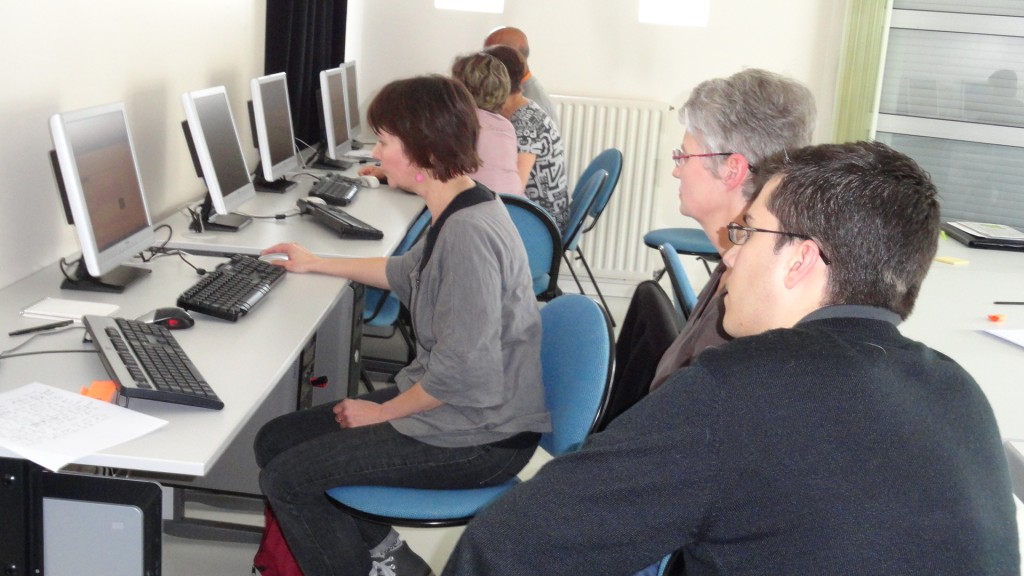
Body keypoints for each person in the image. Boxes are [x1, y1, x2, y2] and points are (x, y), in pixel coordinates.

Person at [442, 141, 1021, 575]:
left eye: (747, 234)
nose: (730, 258)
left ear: (801, 260)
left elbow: (504, 548)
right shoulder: (960, 392)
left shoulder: (735, 392)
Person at [254, 75, 551, 576]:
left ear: (422, 151)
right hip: (460, 407)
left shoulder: (467, 236)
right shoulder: (463, 201)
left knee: (287, 479)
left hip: (481, 437)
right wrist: (316, 262)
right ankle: (386, 555)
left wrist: (383, 412)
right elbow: (404, 272)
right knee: (275, 441)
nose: (375, 153)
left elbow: (463, 372)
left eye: (385, 141)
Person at [645, 68, 816, 393]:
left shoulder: (752, 309)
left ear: (732, 169)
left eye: (684, 156)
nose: (676, 170)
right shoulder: (739, 257)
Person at [485, 44, 569, 231]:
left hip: (540, 224)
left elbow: (514, 190)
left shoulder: (525, 124)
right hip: (535, 215)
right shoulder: (524, 108)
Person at [451, 51, 524, 196]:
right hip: (515, 205)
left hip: (480, 205)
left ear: (459, 89)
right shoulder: (506, 126)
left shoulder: (461, 124)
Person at [483, 26, 558, 122]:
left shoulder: (530, 104)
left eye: (490, 56)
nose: (484, 63)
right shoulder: (514, 91)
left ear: (513, 57)